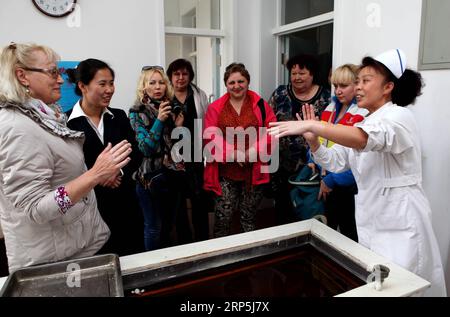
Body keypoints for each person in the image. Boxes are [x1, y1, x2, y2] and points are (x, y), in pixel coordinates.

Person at [268, 49, 447, 297]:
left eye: (365, 80)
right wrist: (314, 141)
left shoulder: (399, 116)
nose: (358, 87)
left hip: (401, 219)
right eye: (358, 81)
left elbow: (365, 140)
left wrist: (315, 124)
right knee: (378, 286)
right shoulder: (364, 121)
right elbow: (336, 161)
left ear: (388, 87)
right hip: (373, 217)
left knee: (405, 286)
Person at [0, 43, 131, 272]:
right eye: (52, 73)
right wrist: (95, 174)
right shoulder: (17, 128)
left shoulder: (41, 116)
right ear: (22, 76)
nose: (61, 80)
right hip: (51, 260)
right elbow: (37, 208)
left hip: (73, 246)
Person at [66, 59, 144, 256]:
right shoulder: (66, 124)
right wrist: (99, 176)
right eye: (102, 84)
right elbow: (69, 167)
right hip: (90, 209)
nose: (109, 89)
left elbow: (135, 153)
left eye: (111, 83)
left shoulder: (118, 116)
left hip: (125, 203)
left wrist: (117, 170)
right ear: (82, 86)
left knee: (132, 259)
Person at [203, 63, 276, 238]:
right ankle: (221, 256)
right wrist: (235, 154)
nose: (236, 86)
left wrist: (252, 152)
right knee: (223, 217)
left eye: (241, 81)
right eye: (232, 82)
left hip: (253, 170)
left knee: (248, 217)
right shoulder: (216, 107)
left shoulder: (260, 105)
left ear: (248, 81)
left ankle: (248, 254)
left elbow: (271, 131)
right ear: (226, 84)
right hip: (225, 171)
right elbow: (210, 135)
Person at [129, 66, 190, 251]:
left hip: (172, 177)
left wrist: (178, 127)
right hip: (149, 179)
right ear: (144, 87)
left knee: (168, 224)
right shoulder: (136, 111)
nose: (158, 87)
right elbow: (146, 148)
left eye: (161, 82)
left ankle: (166, 261)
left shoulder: (169, 107)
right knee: (153, 227)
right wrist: (160, 120)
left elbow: (176, 147)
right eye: (152, 82)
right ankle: (152, 267)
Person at [268, 54, 331, 225]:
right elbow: (268, 122)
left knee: (308, 209)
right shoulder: (280, 93)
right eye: (293, 73)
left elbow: (329, 133)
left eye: (302, 73)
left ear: (312, 74)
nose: (296, 77)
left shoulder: (326, 97)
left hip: (311, 167)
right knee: (282, 207)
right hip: (281, 163)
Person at [308, 64, 368, 241]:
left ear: (356, 86)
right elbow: (320, 139)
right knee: (330, 230)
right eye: (336, 86)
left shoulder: (363, 113)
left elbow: (359, 159)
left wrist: (332, 180)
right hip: (327, 178)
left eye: (343, 86)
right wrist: (311, 156)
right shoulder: (331, 108)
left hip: (346, 185)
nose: (338, 91)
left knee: (350, 233)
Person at [167, 58, 213, 241]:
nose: (180, 78)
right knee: (178, 204)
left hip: (195, 155)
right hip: (172, 158)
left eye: (184, 74)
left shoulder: (199, 95)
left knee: (199, 200)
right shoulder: (164, 96)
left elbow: (208, 123)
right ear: (170, 77)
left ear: (190, 76)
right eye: (176, 74)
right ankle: (184, 241)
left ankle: (202, 239)